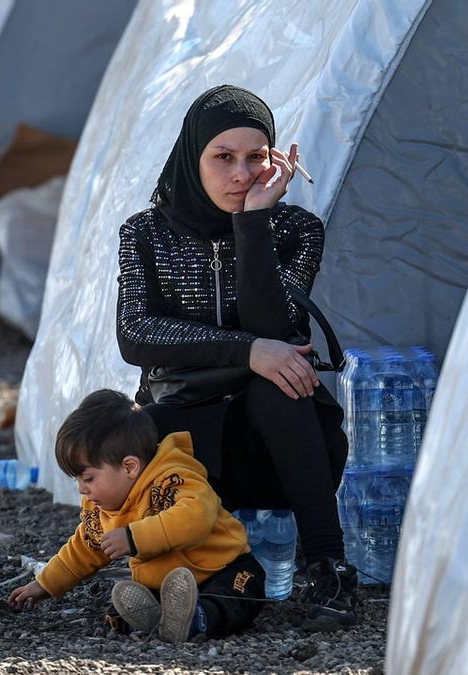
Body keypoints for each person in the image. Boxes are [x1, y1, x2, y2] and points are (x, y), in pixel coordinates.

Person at [116, 84, 357, 628]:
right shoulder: (146, 233)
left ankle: (329, 566)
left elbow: (278, 327)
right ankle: (204, 610)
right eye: (222, 158)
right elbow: (136, 334)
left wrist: (252, 223)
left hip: (274, 441)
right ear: (193, 158)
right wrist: (248, 352)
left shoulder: (295, 230)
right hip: (181, 430)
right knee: (227, 564)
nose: (240, 174)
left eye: (256, 158)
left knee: (284, 384)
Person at [7, 389, 266, 642]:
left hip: (222, 570)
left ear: (129, 466)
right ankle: (160, 619)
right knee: (118, 610)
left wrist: (134, 537)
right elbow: (84, 548)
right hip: (165, 587)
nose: (81, 489)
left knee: (236, 596)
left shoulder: (172, 478)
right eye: (77, 479)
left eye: (88, 478)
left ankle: (196, 619)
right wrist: (45, 584)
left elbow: (195, 517)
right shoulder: (101, 505)